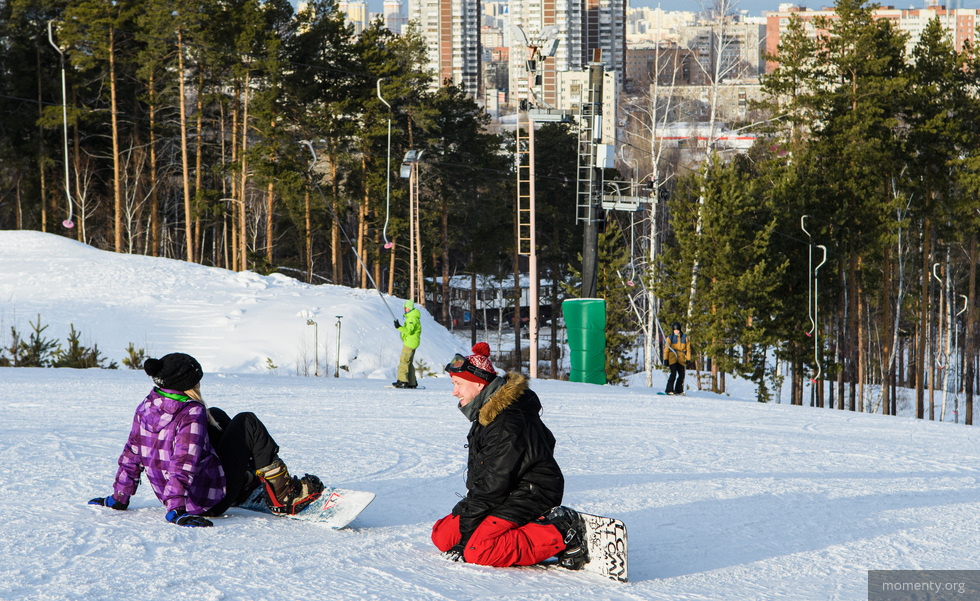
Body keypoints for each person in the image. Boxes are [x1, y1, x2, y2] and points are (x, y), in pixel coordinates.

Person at [88, 352, 323, 527]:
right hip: (206, 501)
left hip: (185, 494)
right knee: (247, 423)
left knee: (217, 416)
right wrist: (176, 511)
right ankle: (283, 495)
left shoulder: (146, 407)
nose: (200, 384)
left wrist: (119, 498)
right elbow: (183, 463)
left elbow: (131, 456)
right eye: (197, 380)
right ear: (187, 383)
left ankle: (244, 483)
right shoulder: (190, 413)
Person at [430, 342, 588, 569]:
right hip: (502, 492)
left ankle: (563, 531)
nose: (454, 392)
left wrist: (466, 539)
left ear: (478, 383)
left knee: (479, 551)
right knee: (442, 536)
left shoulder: (506, 422)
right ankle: (510, 530)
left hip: (530, 493)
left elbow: (494, 484)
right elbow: (488, 483)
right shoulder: (486, 413)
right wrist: (466, 519)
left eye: (458, 384)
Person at [392, 299, 421, 388]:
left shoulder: (412, 318)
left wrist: (399, 327)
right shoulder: (411, 317)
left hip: (410, 343)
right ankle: (412, 382)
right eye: (404, 308)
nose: (405, 309)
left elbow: (408, 331)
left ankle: (402, 381)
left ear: (410, 308)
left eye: (406, 308)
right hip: (411, 342)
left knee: (404, 361)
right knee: (409, 362)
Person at [663, 321, 689, 395]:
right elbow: (666, 349)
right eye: (675, 330)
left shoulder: (684, 338)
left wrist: (688, 359)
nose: (676, 332)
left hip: (681, 359)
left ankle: (679, 390)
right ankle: (669, 389)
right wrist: (666, 359)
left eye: (677, 330)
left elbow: (688, 348)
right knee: (673, 373)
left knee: (681, 375)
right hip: (672, 358)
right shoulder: (670, 338)